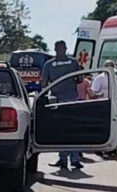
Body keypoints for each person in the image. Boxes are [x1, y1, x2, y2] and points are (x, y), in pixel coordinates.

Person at [41, 40, 83, 170]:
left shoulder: (49, 64)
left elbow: (43, 83)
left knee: (61, 130)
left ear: (55, 49)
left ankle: (63, 159)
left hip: (57, 100)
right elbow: (80, 79)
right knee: (73, 129)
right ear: (65, 48)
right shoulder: (73, 62)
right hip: (72, 98)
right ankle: (74, 159)